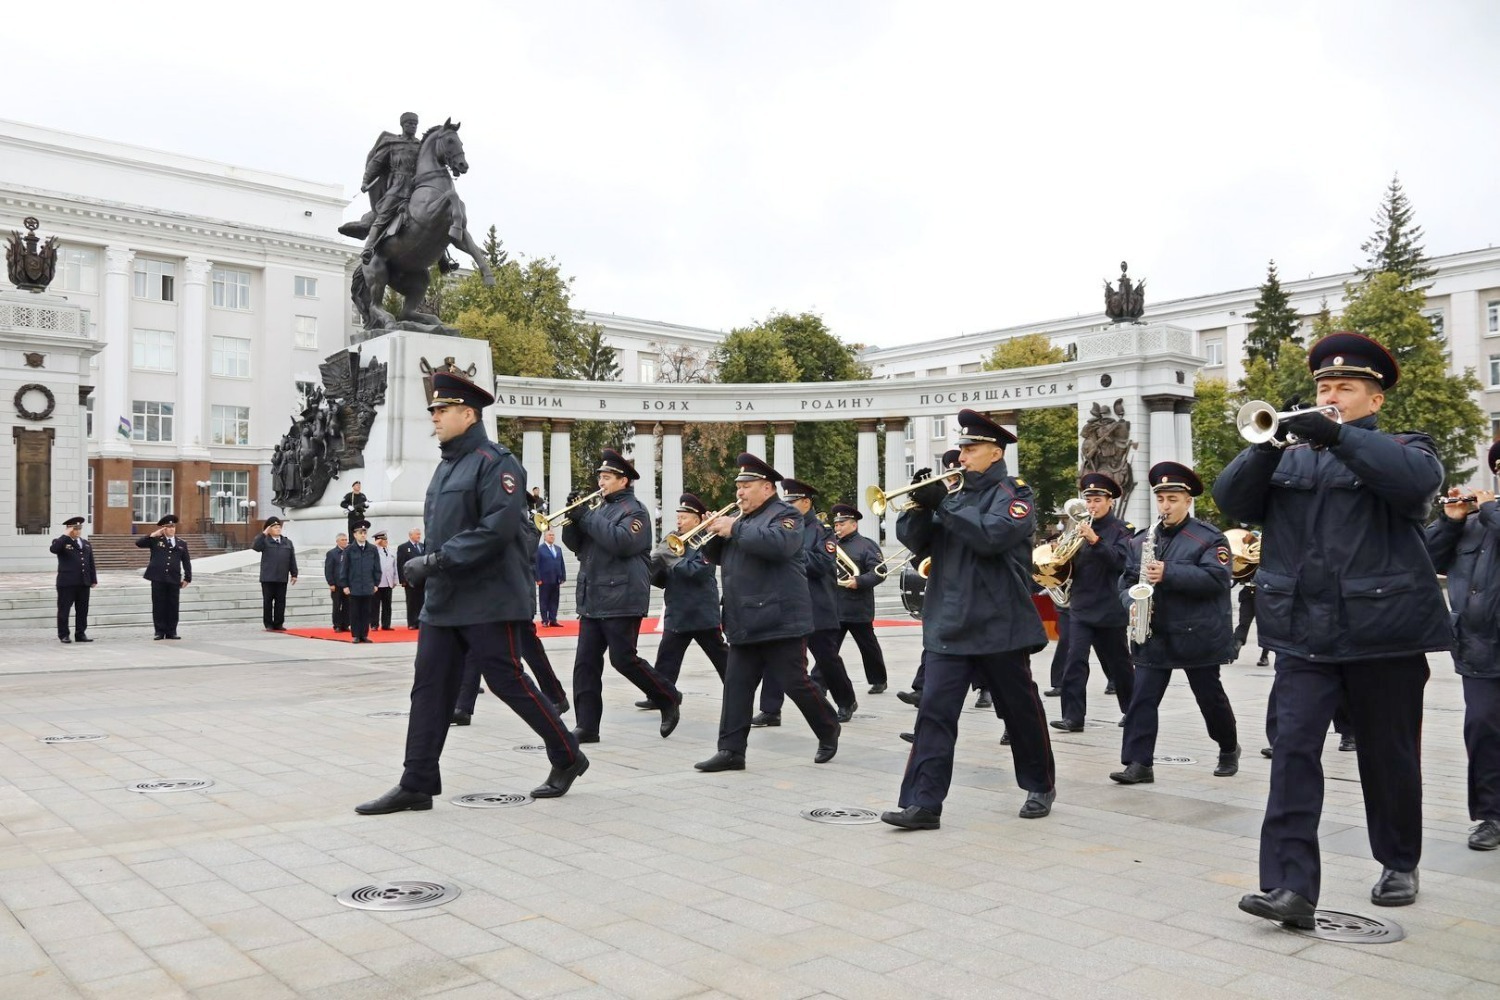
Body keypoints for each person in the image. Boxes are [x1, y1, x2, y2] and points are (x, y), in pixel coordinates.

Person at [1215, 331, 1451, 926]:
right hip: (1303, 637)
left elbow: (1416, 487)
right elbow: (1231, 498)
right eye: (1324, 387)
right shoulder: (1287, 455)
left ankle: (1399, 860)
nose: (1331, 395)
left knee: (1388, 756)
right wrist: (1267, 447)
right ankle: (1289, 887)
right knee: (1293, 752)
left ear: (1374, 401)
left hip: (1384, 636)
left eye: (1345, 388)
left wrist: (1340, 437)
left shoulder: (1406, 447)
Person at [356, 369, 585, 814]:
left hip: (486, 597)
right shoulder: (447, 466)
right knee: (429, 688)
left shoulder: (496, 462)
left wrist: (434, 561)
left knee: (507, 680)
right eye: (434, 411)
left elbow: (494, 530)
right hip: (446, 599)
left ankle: (568, 754)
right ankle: (416, 782)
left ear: (468, 412)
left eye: (442, 410)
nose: (435, 418)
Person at [882, 409, 1057, 829]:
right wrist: (920, 509)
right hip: (949, 620)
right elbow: (914, 541)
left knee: (1019, 710)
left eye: (970, 448)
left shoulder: (1015, 495)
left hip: (999, 622)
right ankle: (923, 804)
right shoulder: (952, 492)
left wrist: (944, 503)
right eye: (961, 448)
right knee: (933, 714)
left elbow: (990, 536)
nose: (962, 456)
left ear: (995, 453)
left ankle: (1039, 783)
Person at [694, 454, 841, 771]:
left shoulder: (786, 515)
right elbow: (719, 557)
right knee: (736, 687)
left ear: (766, 487)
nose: (740, 493)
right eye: (738, 487)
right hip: (744, 618)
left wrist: (733, 529)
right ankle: (731, 751)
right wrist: (708, 532)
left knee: (795, 682)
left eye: (746, 486)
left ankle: (828, 725)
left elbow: (780, 546)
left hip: (780, 619)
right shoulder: (742, 520)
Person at [1110, 462, 1239, 785]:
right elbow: (1125, 580)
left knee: (1209, 697)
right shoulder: (1141, 540)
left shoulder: (1209, 539)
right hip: (1154, 634)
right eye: (1161, 499)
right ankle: (1139, 763)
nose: (1165, 506)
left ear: (1188, 501)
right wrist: (1131, 601)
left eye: (1173, 500)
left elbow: (1218, 578)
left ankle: (1227, 747)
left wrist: (1169, 572)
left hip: (1197, 634)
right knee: (1142, 699)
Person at [563, 448, 682, 744]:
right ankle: (587, 726)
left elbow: (622, 542)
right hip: (593, 597)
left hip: (621, 597)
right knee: (585, 664)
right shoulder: (599, 510)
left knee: (623, 659)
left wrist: (587, 518)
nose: (601, 482)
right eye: (600, 477)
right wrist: (572, 519)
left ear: (623, 481)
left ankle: (668, 696)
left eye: (607, 477)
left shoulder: (635, 511)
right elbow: (577, 546)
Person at [1424, 449, 1500, 852]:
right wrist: (1449, 522)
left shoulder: (1490, 516)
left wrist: (1488, 512)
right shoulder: (1474, 523)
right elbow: (1425, 561)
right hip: (1479, 647)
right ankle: (1491, 815)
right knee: (1483, 728)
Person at [754, 480, 858, 725]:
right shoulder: (781, 526)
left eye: (792, 502)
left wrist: (790, 551)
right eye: (785, 502)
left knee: (826, 658)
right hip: (786, 602)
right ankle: (771, 710)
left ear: (806, 503)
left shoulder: (822, 530)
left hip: (816, 604)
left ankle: (846, 700)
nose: (786, 506)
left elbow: (822, 564)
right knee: (775, 656)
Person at [1053, 473, 1136, 732]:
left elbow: (1120, 561)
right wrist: (1058, 556)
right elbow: (1068, 567)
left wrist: (1094, 540)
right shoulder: (1076, 529)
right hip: (1080, 606)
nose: (1091, 505)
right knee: (1074, 661)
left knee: (1120, 665)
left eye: (1097, 500)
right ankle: (1073, 717)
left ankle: (1131, 711)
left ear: (1109, 501)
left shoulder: (1123, 530)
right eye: (1088, 500)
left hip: (1110, 607)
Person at [644, 493, 729, 692]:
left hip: (701, 612)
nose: (679, 522)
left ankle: (737, 688)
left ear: (697, 520)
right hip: (678, 608)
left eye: (684, 518)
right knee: (667, 656)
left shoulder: (707, 541)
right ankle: (661, 694)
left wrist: (670, 559)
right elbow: (659, 576)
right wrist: (655, 561)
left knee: (720, 655)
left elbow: (698, 571)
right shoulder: (674, 540)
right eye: (678, 518)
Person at [832, 504, 890, 695]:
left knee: (868, 646)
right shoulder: (832, 544)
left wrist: (859, 581)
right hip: (835, 606)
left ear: (854, 525)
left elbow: (880, 572)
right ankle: (821, 682)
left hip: (858, 606)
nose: (837, 528)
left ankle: (879, 680)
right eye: (836, 524)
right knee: (829, 650)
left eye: (841, 524)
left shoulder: (867, 545)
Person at [357, 112, 421, 263]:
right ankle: (368, 248)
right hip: (397, 186)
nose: (412, 126)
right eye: (409, 123)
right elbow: (376, 163)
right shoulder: (392, 143)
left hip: (417, 186)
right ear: (402, 125)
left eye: (414, 124)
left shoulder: (421, 145)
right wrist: (366, 181)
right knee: (382, 217)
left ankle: (444, 258)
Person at [136, 514, 191, 640]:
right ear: (163, 529)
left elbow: (186, 561)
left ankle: (171, 631)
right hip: (158, 578)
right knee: (158, 605)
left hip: (173, 578)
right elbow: (138, 543)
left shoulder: (181, 543)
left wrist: (188, 578)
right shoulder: (156, 541)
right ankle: (159, 631)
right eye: (169, 527)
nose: (172, 529)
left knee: (173, 605)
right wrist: (153, 534)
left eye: (173, 527)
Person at [51, 516, 97, 644]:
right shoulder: (61, 542)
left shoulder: (86, 543)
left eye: (79, 528)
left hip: (83, 582)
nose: (78, 531)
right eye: (75, 529)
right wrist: (65, 535)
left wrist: (93, 579)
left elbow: (90, 563)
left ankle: (80, 633)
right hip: (67, 583)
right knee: (64, 610)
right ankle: (64, 634)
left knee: (82, 610)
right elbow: (54, 549)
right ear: (69, 529)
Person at [251, 516, 298, 632]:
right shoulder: (265, 541)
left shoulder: (287, 542)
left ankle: (278, 623)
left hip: (282, 577)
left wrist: (294, 573)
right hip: (268, 577)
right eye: (274, 527)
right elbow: (255, 547)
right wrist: (264, 534)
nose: (278, 529)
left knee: (280, 601)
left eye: (279, 527)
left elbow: (292, 559)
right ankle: (268, 624)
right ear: (269, 529)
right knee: (268, 602)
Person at [339, 521, 381, 644]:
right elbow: (344, 568)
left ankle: (364, 634)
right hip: (354, 585)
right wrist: (345, 585)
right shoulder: (349, 549)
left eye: (365, 532)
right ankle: (356, 635)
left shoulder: (372, 549)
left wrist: (376, 583)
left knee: (366, 611)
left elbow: (377, 567)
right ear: (355, 535)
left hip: (368, 585)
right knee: (355, 611)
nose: (363, 535)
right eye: (360, 533)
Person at [396, 528, 426, 630]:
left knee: (421, 601)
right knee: (412, 602)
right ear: (411, 535)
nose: (419, 536)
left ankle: (420, 622)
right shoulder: (403, 547)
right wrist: (403, 580)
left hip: (422, 579)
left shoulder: (422, 546)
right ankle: (412, 622)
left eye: (419, 534)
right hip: (410, 580)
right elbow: (400, 564)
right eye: (417, 534)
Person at [536, 528, 566, 627]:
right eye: (549, 535)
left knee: (554, 600)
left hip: (556, 579)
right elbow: (537, 565)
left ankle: (553, 619)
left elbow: (561, 563)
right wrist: (538, 578)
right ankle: (545, 620)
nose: (552, 537)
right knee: (544, 600)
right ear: (545, 537)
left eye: (553, 535)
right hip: (544, 580)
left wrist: (563, 576)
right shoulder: (540, 549)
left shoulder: (558, 548)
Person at [324, 533, 351, 632]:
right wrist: (331, 583)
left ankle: (346, 624)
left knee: (347, 605)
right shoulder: (332, 553)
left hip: (347, 585)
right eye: (342, 540)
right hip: (336, 584)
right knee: (337, 605)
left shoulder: (349, 552)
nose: (345, 542)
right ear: (337, 541)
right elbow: (328, 569)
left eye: (346, 540)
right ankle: (337, 625)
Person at [373, 530, 398, 631]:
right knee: (375, 605)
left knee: (387, 605)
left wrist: (395, 579)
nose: (386, 541)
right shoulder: (374, 551)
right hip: (377, 583)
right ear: (378, 541)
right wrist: (376, 545)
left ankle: (386, 624)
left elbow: (394, 566)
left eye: (386, 539)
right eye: (383, 539)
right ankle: (374, 624)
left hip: (388, 582)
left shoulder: (391, 551)